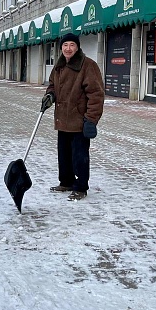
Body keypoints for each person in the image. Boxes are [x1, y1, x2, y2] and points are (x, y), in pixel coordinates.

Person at [41, 33, 104, 201]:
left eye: (72, 45)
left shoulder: (88, 66)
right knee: (64, 154)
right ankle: (66, 182)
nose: (68, 49)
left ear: (77, 47)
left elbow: (96, 94)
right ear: (61, 48)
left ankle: (81, 187)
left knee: (79, 156)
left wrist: (91, 119)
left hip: (79, 120)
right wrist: (50, 96)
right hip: (63, 118)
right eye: (65, 45)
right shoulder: (59, 66)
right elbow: (52, 85)